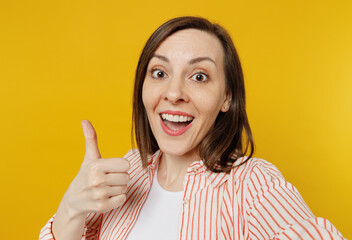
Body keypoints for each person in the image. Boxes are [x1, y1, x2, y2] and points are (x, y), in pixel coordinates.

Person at [40, 16, 346, 240]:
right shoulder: (129, 170)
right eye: (159, 72)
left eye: (199, 76)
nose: (173, 93)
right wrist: (70, 210)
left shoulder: (253, 185)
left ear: (227, 97)